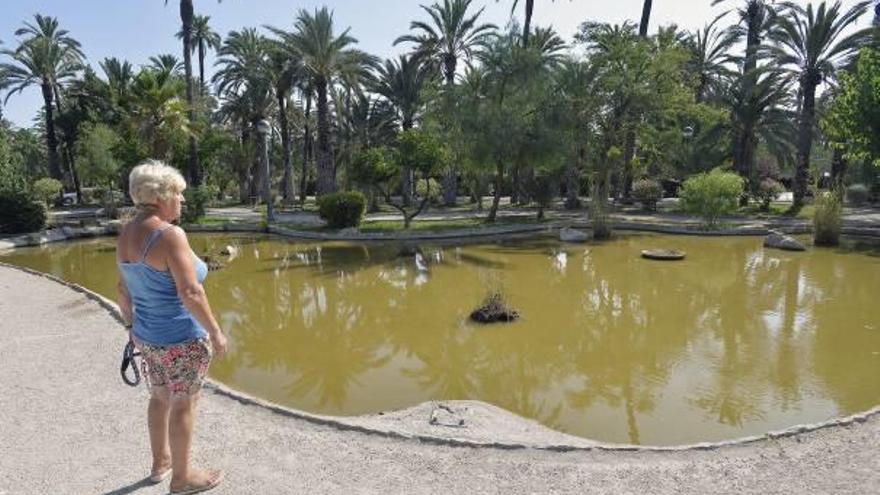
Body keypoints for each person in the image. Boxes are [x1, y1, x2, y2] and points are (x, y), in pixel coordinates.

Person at [116, 160, 227, 494]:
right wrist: (216, 332)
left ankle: (160, 463)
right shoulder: (169, 234)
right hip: (182, 338)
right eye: (178, 194)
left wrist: (132, 328)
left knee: (160, 397)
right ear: (161, 195)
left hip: (148, 337)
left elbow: (123, 291)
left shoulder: (126, 233)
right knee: (184, 402)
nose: (182, 201)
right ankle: (182, 479)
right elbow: (191, 292)